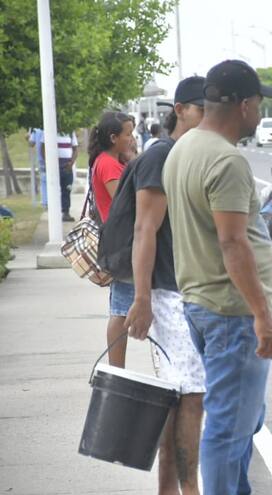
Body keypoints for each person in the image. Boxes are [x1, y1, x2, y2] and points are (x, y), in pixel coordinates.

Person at [162, 59, 272, 494]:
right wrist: (262, 315)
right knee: (230, 428)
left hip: (200, 302)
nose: (261, 113)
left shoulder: (184, 147)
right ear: (245, 105)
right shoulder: (226, 160)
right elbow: (233, 243)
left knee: (244, 419)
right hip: (232, 311)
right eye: (259, 103)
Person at [121, 76, 207, 494]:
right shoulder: (162, 157)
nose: (209, 116)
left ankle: (172, 490)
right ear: (180, 109)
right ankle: (187, 489)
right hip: (170, 294)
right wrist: (141, 299)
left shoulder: (194, 156)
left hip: (193, 292)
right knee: (190, 396)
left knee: (183, 397)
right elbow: (144, 229)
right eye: (201, 108)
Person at [89, 111, 136, 367]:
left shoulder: (113, 160)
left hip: (124, 240)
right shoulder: (107, 163)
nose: (132, 138)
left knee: (122, 305)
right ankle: (117, 369)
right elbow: (124, 202)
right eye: (128, 134)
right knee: (120, 309)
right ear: (113, 137)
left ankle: (118, 368)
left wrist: (130, 159)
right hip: (122, 243)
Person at [31, 129, 79, 221]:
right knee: (54, 192)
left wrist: (71, 163)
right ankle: (55, 214)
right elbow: (42, 148)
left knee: (67, 190)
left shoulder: (70, 131)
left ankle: (66, 213)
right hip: (54, 168)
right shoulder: (49, 130)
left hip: (67, 168)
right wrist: (49, 163)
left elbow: (75, 149)